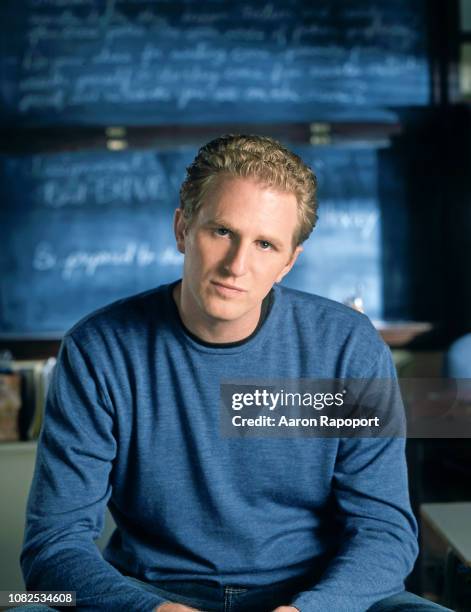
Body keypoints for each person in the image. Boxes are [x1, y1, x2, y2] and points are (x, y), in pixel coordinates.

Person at [20, 135, 451, 612]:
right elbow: (53, 545)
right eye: (221, 231)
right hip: (151, 594)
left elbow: (385, 530)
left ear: (288, 262)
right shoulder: (98, 350)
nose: (236, 266)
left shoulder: (349, 348)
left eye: (265, 244)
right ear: (183, 228)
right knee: (31, 605)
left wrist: (313, 609)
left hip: (313, 595)